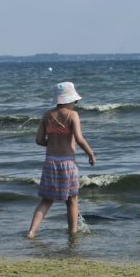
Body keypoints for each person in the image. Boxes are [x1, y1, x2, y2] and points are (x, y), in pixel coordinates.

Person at [27, 82, 96, 238]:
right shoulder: (72, 115)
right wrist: (90, 154)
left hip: (50, 162)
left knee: (46, 200)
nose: (75, 103)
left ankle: (31, 232)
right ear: (70, 100)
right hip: (68, 163)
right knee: (72, 200)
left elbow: (39, 140)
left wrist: (52, 143)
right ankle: (73, 233)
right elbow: (79, 139)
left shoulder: (47, 115)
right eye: (75, 101)